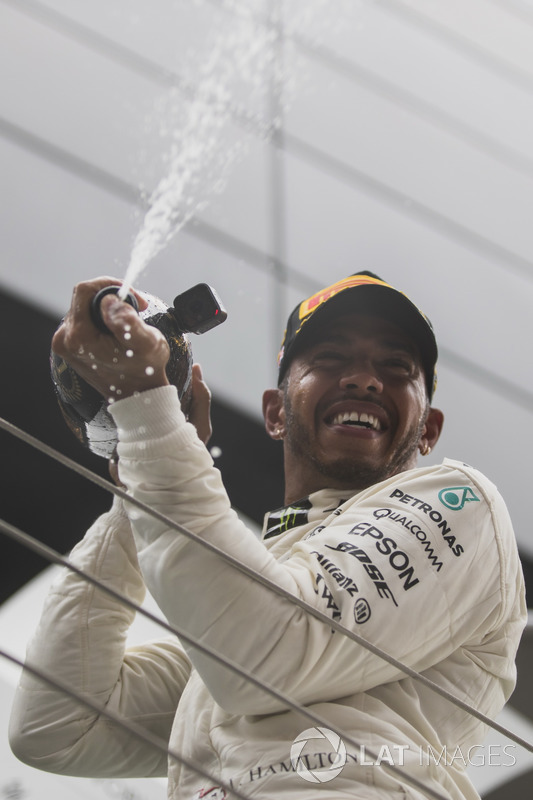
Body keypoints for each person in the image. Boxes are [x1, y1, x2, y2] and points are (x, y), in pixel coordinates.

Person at [9, 271, 526, 800]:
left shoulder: (463, 500)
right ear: (276, 414)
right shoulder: (252, 611)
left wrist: (147, 414)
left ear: (429, 430)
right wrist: (139, 484)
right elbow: (59, 726)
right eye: (329, 359)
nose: (365, 380)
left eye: (395, 366)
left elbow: (265, 650)